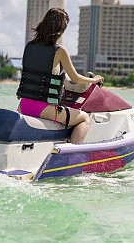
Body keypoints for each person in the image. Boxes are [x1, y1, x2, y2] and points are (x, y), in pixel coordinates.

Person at [17, 8, 103, 144]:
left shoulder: (29, 46)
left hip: (23, 105)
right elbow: (76, 78)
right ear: (60, 30)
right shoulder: (59, 51)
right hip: (44, 108)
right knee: (84, 118)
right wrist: (94, 80)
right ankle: (72, 154)